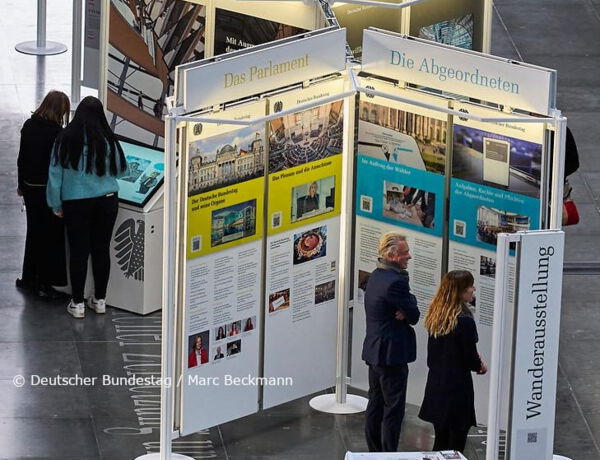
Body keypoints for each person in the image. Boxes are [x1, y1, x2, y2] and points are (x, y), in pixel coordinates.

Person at [47, 96, 128, 318]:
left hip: (76, 203)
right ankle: (100, 300)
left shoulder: (64, 139)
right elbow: (121, 170)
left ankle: (77, 303)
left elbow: (55, 175)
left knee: (79, 253)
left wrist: (55, 203)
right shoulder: (108, 139)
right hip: (107, 200)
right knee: (101, 250)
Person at [362, 232, 420, 452]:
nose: (409, 256)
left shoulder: (377, 275)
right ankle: (388, 454)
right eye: (405, 253)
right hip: (391, 355)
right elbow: (414, 315)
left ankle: (374, 452)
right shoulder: (396, 282)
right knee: (393, 409)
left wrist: (406, 305)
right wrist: (407, 307)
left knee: (375, 404)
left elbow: (408, 307)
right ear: (392, 255)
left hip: (375, 352)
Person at [418, 270, 488, 453]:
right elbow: (470, 356)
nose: (473, 289)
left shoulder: (436, 314)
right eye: (470, 286)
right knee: (456, 444)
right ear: (460, 291)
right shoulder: (464, 321)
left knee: (441, 440)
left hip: (437, 384)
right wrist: (480, 365)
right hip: (457, 388)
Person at [16, 90, 70, 298]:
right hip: (47, 189)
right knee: (50, 237)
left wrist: (21, 184)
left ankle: (28, 277)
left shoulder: (29, 125)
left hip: (30, 187)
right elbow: (58, 166)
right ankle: (45, 284)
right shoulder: (57, 133)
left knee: (34, 232)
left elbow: (21, 158)